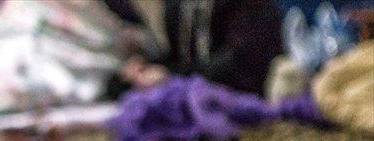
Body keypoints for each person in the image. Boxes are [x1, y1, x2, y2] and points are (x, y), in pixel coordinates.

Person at [108, 0, 285, 95]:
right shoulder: (179, 9)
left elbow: (240, 64)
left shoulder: (249, 6)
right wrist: (142, 70)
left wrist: (169, 76)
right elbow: (180, 60)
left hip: (244, 93)